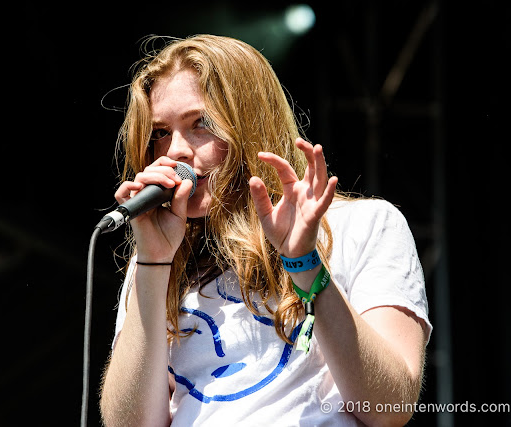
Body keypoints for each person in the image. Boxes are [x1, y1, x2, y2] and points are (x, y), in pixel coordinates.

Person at [99, 34, 432, 426]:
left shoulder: (362, 225)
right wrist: (153, 263)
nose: (174, 152)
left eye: (200, 124)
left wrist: (305, 263)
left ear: (250, 125)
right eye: (159, 133)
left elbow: (388, 409)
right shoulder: (155, 260)